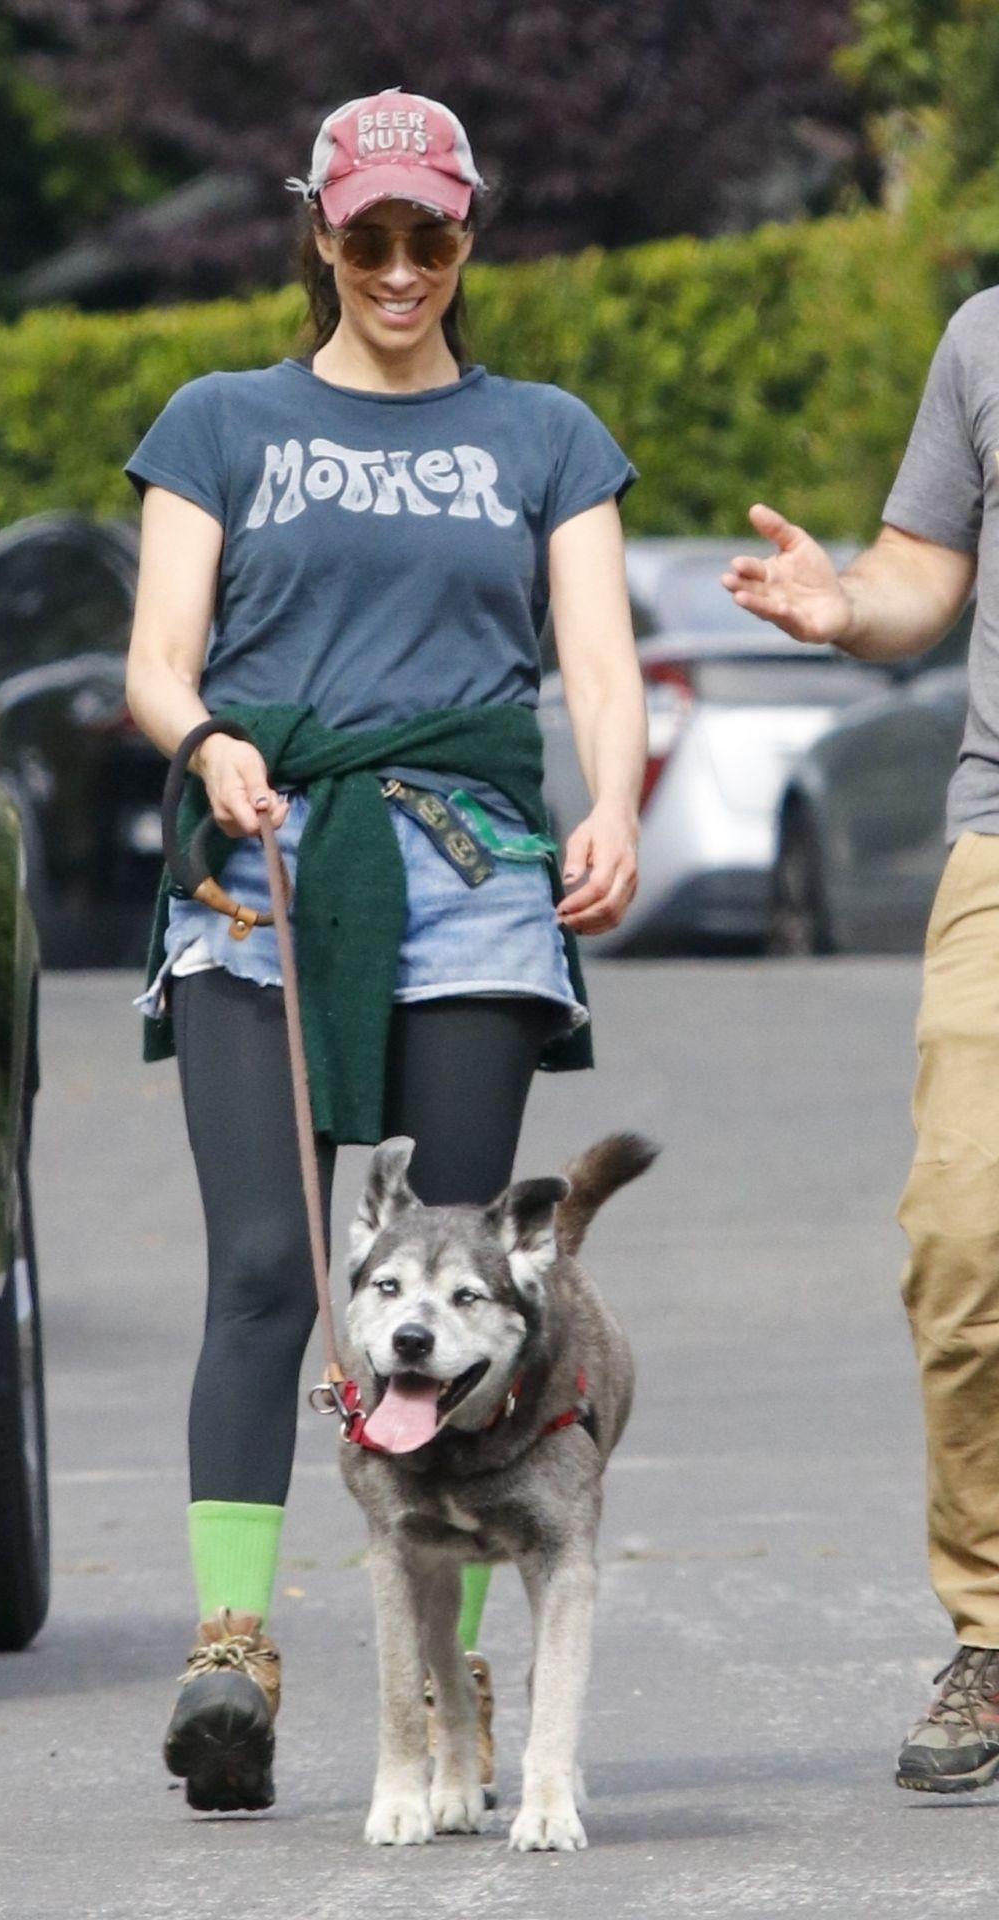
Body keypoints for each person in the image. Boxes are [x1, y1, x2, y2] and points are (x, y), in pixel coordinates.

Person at [123, 87, 646, 1816]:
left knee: (474, 1294)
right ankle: (232, 1646)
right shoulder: (220, 420)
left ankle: (445, 1679)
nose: (402, 267)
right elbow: (159, 658)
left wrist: (617, 803)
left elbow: (596, 659)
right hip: (264, 873)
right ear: (320, 234)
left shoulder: (547, 433)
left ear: (468, 235)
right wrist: (208, 745)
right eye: (371, 237)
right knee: (276, 1272)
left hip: (478, 877)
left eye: (433, 236)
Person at [722, 288, 999, 1792]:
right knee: (961, 1245)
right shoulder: (985, 337)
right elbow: (920, 573)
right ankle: (996, 1633)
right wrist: (848, 607)